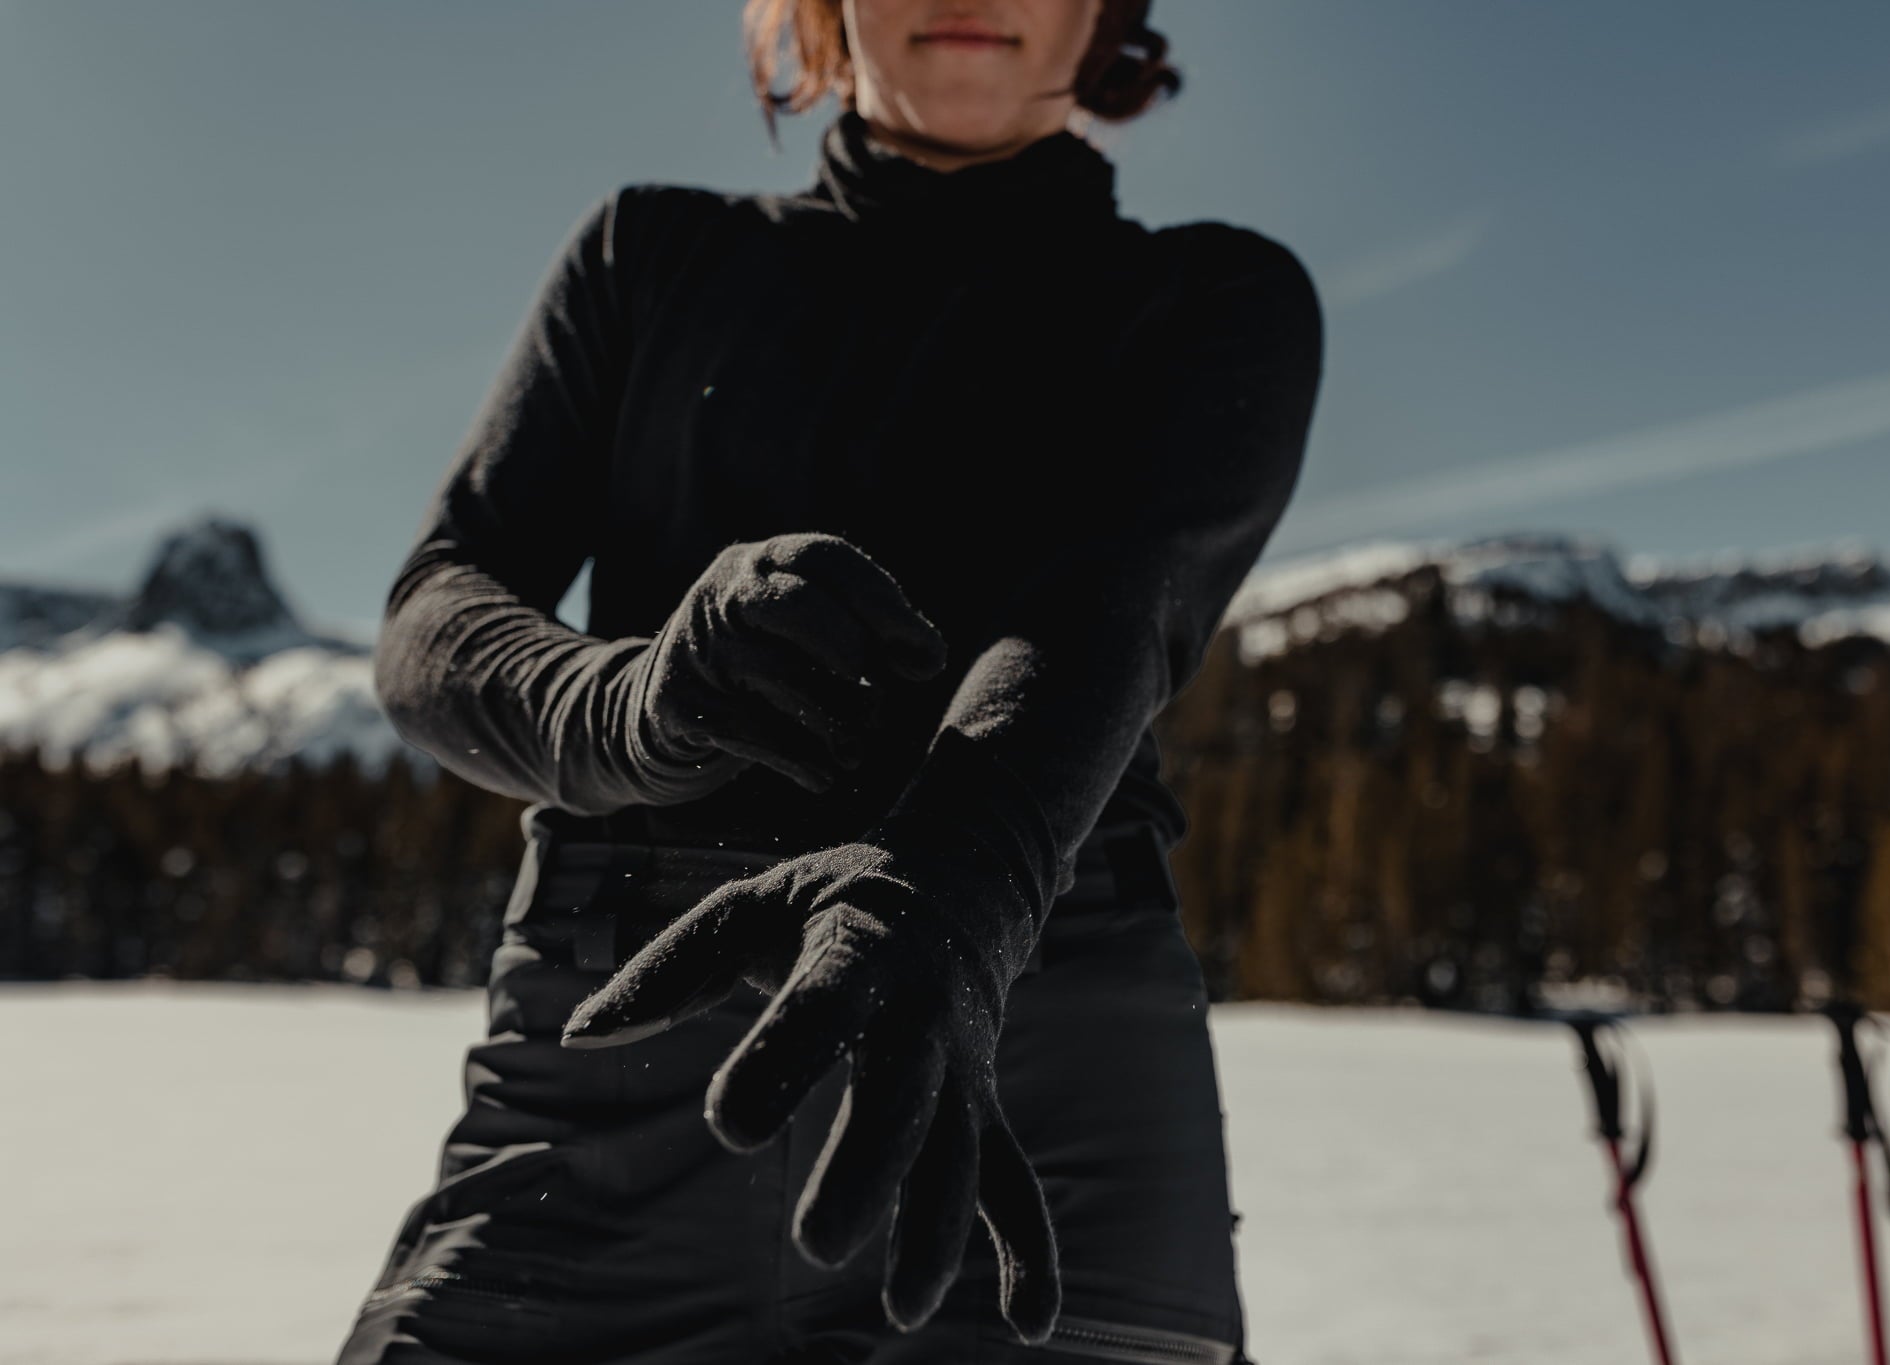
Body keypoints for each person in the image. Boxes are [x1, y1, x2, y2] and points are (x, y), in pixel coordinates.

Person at [335, 0, 1323, 1361]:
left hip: (1042, 1058)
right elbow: (438, 612)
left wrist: (948, 896)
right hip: (620, 1055)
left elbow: (1112, 615)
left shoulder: (1216, 301)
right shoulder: (652, 255)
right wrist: (635, 706)